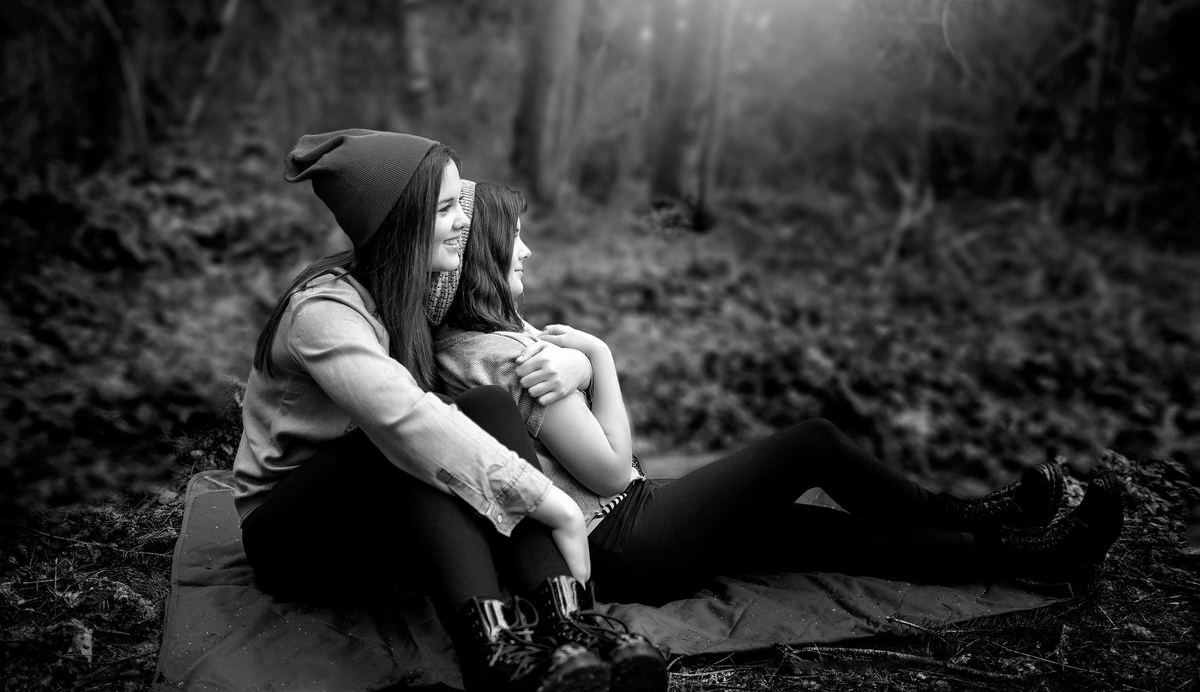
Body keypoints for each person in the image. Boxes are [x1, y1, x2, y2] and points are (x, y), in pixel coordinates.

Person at [433, 182, 1126, 607]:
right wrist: (602, 361)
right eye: (515, 240)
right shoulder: (511, 356)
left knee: (826, 536)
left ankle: (1030, 550)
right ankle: (970, 515)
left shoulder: (467, 346)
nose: (527, 253)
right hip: (624, 537)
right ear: (486, 256)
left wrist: (579, 367)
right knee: (811, 445)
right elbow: (616, 471)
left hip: (626, 527)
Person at [232, 131, 666, 692]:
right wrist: (551, 503)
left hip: (375, 518)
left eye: (459, 204)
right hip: (292, 534)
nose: (463, 220)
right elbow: (403, 420)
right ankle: (493, 653)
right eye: (445, 209)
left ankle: (568, 622)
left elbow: (498, 341)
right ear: (402, 225)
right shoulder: (323, 313)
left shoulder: (408, 289)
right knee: (413, 444)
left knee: (479, 408)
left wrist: (582, 364)